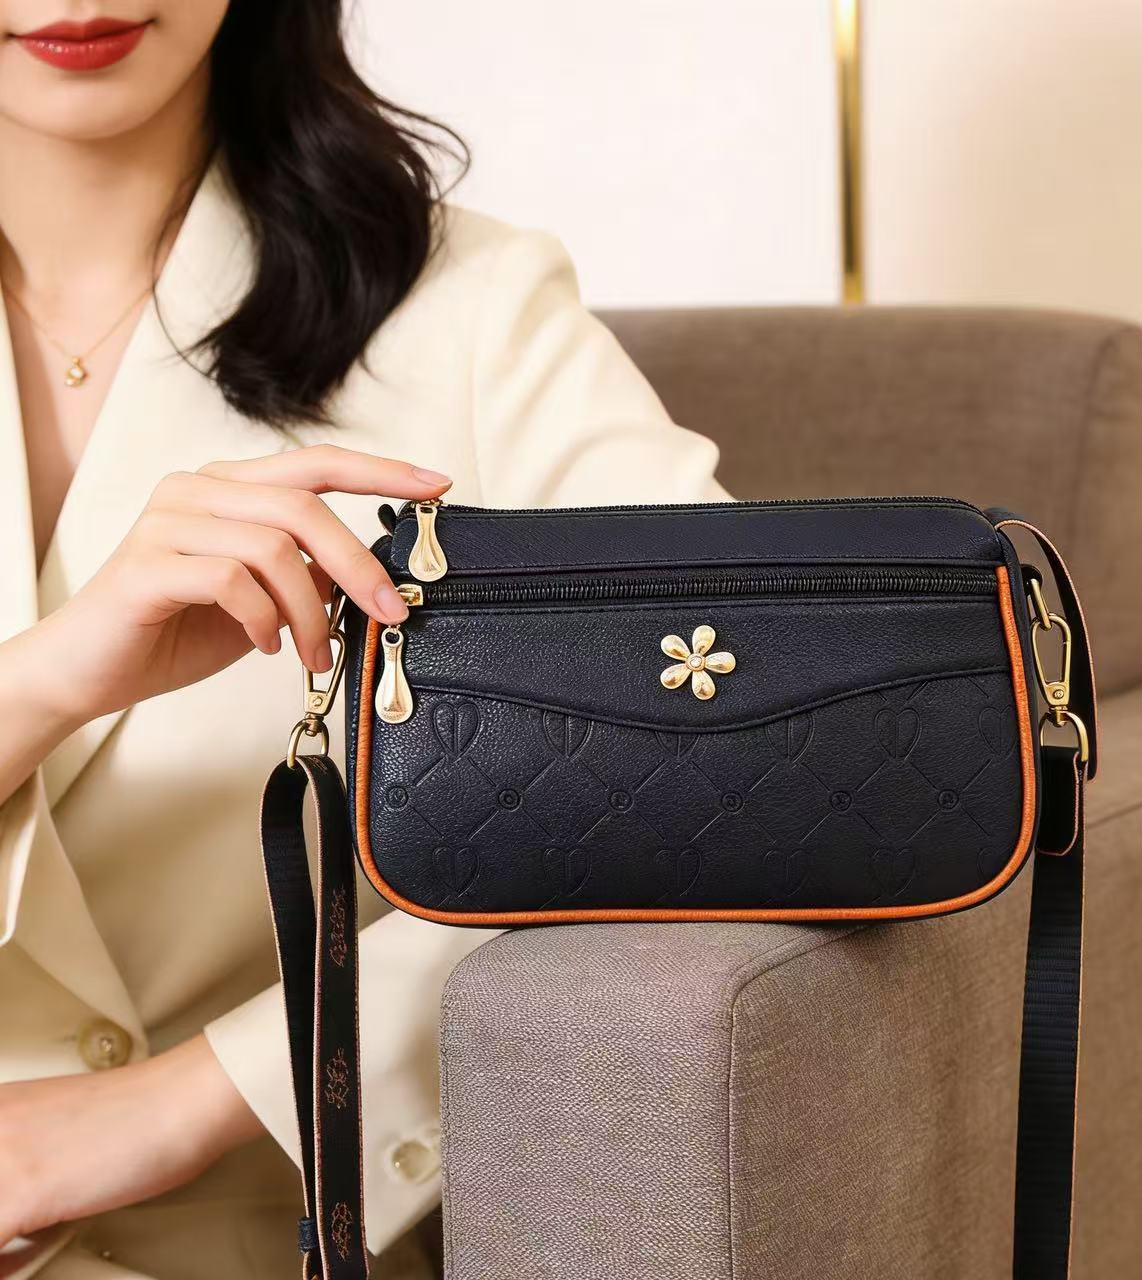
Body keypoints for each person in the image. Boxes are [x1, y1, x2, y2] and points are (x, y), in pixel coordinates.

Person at [0, 4, 730, 1277]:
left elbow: (726, 735)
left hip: (278, 1230)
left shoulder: (471, 309)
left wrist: (206, 1091)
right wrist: (46, 680)